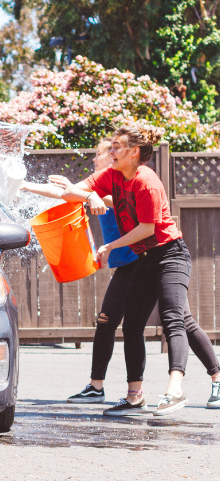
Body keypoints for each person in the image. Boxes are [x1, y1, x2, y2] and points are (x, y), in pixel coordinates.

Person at [23, 138, 220, 411]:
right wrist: (24, 186)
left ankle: (178, 389)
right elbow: (71, 194)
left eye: (114, 148)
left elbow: (147, 228)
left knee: (175, 319)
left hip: (169, 254)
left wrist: (108, 241)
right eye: (110, 148)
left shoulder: (145, 181)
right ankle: (133, 394)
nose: (107, 154)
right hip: (144, 259)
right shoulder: (110, 177)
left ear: (134, 152)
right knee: (132, 325)